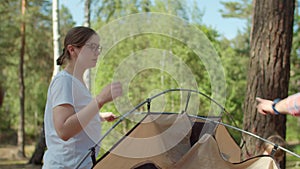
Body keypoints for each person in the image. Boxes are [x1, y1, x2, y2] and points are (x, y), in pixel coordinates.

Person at [43, 26, 122, 169]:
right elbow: (64, 130)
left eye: (98, 48)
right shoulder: (64, 81)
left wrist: (99, 116)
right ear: (72, 50)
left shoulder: (77, 82)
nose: (97, 53)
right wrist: (100, 100)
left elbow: (76, 115)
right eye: (92, 47)